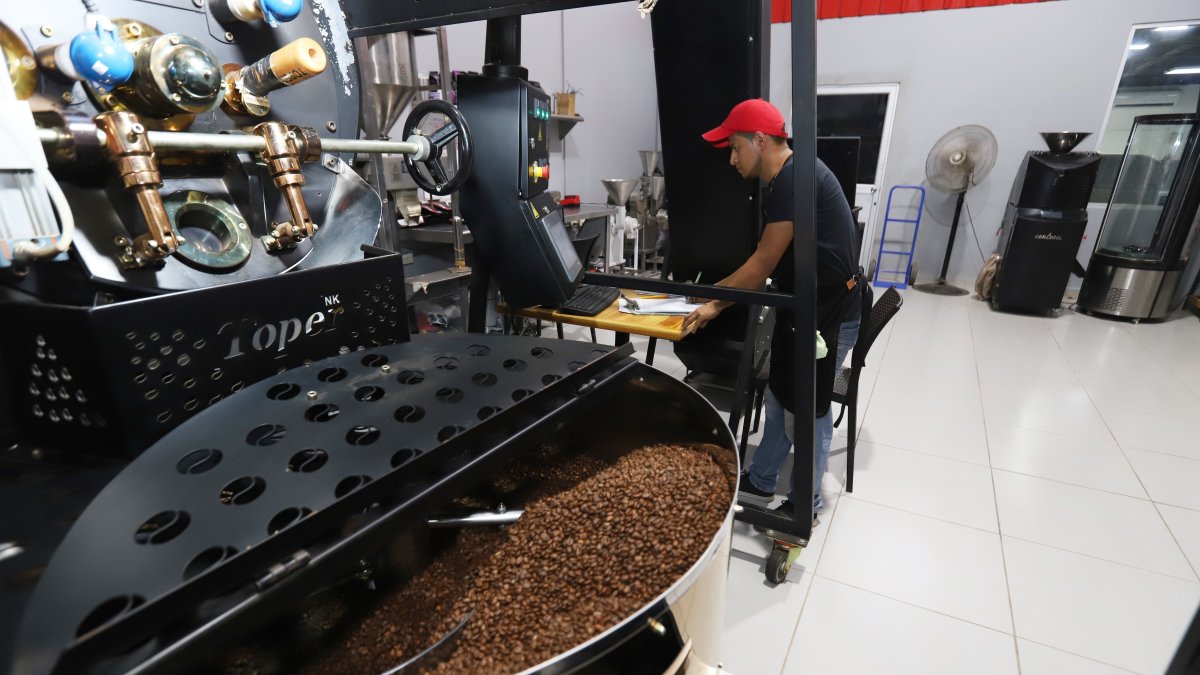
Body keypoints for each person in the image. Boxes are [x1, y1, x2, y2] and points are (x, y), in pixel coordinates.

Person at [681, 98, 861, 525]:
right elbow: (770, 264)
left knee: (809, 411)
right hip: (805, 307)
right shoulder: (789, 178)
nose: (731, 159)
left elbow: (762, 263)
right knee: (780, 398)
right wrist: (711, 294)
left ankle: (804, 507)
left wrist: (712, 303)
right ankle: (762, 479)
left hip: (829, 315)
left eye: (735, 148)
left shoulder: (796, 179)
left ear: (760, 140)